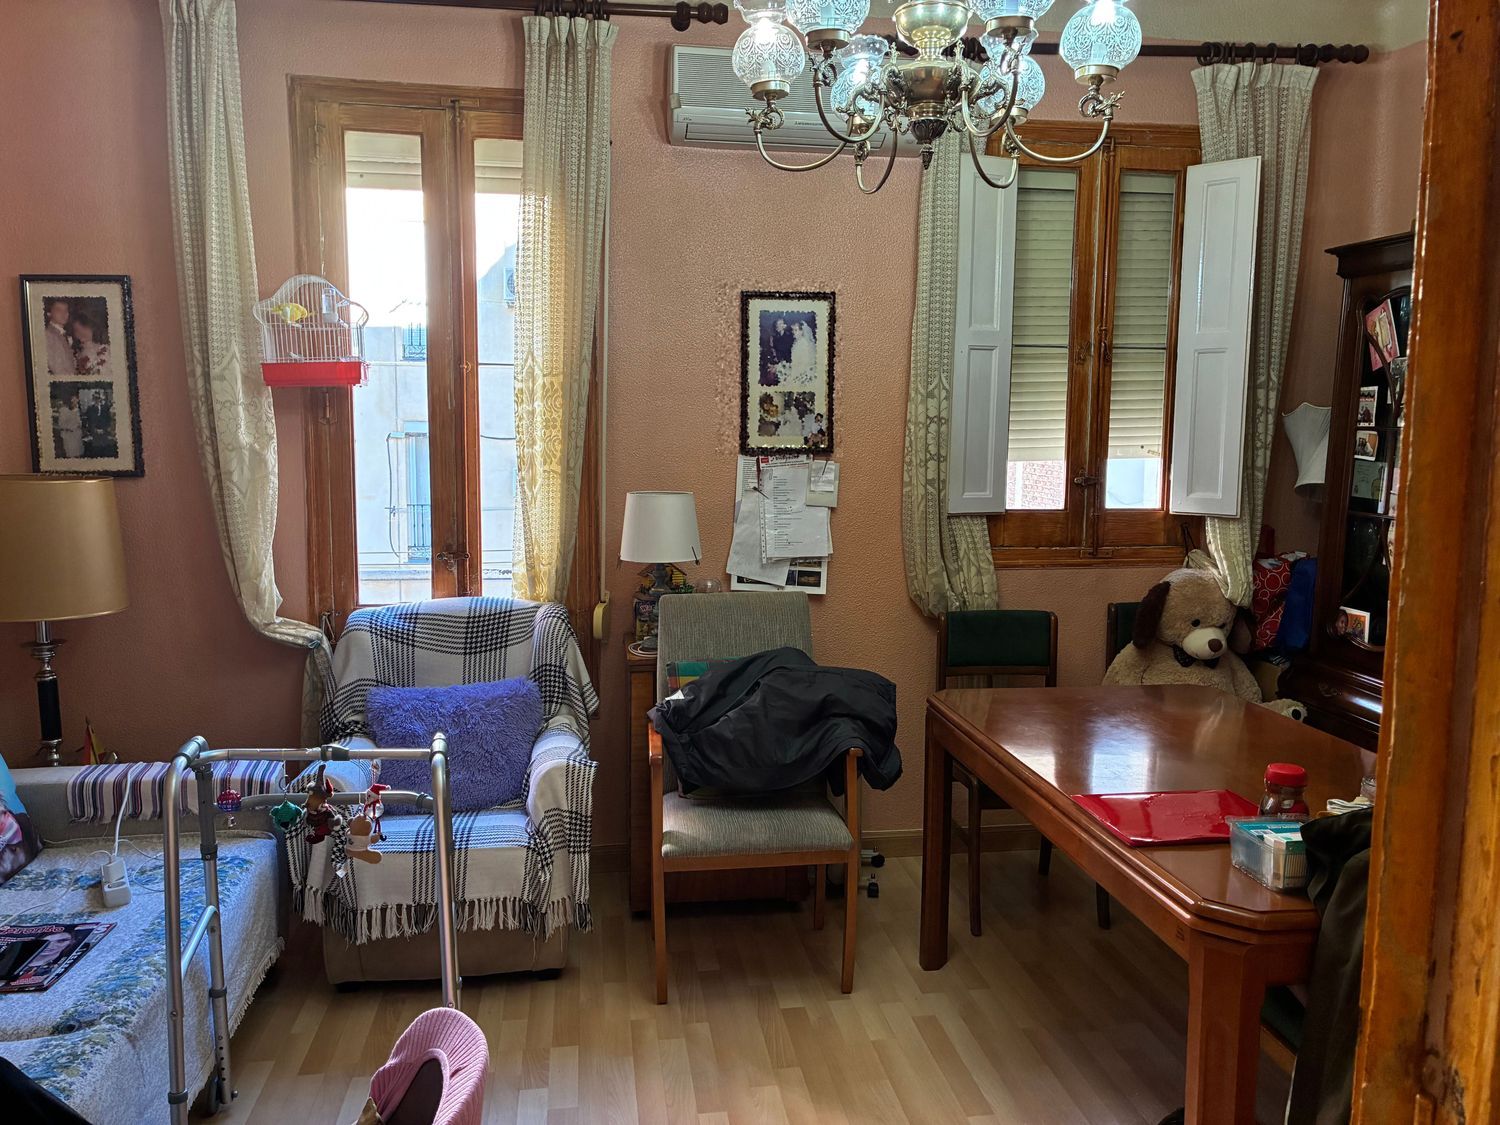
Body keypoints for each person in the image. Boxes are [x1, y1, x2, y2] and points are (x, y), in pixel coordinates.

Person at [43, 298, 74, 376]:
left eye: (66, 310)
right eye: (59, 310)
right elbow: (57, 369)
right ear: (49, 313)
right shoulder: (48, 335)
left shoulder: (64, 334)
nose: (64, 314)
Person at [55, 393, 84, 458]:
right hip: (69, 436)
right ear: (70, 400)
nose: (76, 402)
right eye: (74, 400)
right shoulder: (63, 410)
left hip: (77, 435)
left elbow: (79, 422)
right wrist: (71, 427)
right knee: (71, 455)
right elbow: (61, 424)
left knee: (78, 455)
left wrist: (79, 424)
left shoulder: (77, 410)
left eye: (77, 400)